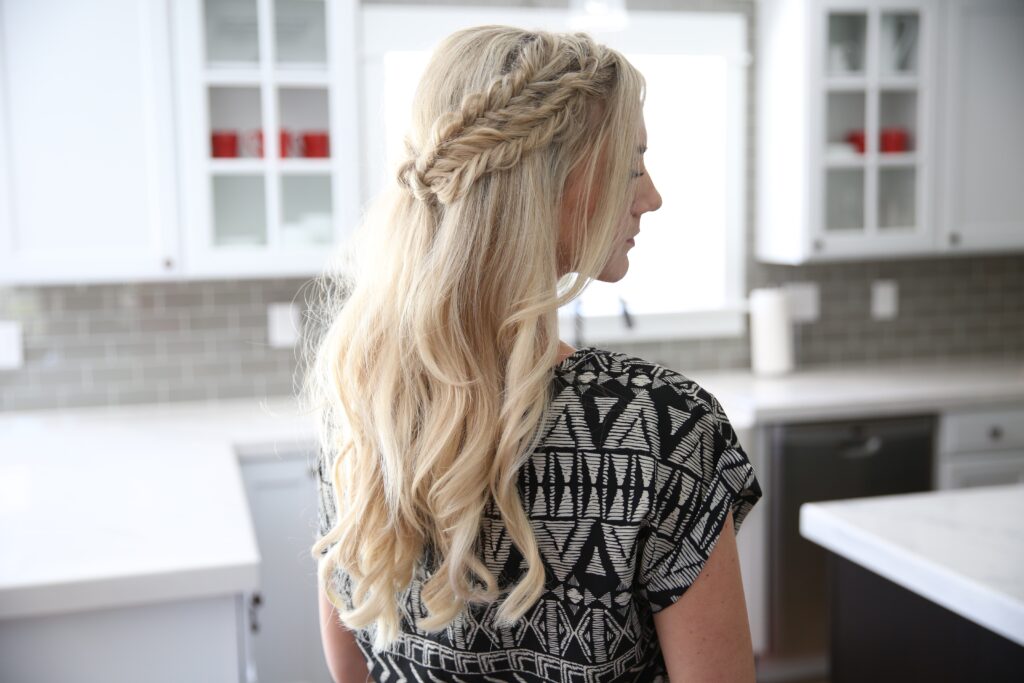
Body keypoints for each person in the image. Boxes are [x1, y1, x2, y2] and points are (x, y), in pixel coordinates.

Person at [303, 24, 763, 682]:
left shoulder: (363, 396)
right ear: (552, 181)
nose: (651, 195)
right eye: (632, 164)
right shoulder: (665, 430)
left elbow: (351, 665)